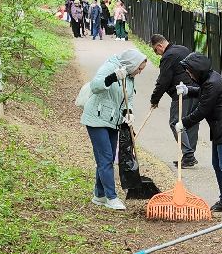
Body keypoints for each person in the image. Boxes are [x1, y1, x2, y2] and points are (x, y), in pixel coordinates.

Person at [79, 48, 147, 210]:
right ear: (132, 64)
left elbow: (128, 97)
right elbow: (96, 86)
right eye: (139, 69)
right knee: (106, 158)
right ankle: (111, 197)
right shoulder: (111, 67)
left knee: (107, 159)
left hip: (113, 121)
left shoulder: (130, 76)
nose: (139, 72)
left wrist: (128, 112)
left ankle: (99, 195)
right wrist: (113, 77)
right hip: (97, 118)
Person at [177, 53, 222, 212]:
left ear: (197, 70)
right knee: (217, 165)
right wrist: (188, 90)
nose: (188, 73)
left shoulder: (212, 83)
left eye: (189, 70)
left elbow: (202, 110)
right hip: (219, 127)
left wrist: (184, 123)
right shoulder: (210, 79)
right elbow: (203, 92)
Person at [146, 34, 197, 167]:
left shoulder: (168, 57)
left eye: (155, 50)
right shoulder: (183, 49)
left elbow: (163, 81)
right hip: (195, 91)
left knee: (175, 122)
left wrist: (154, 99)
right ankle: (189, 155)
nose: (157, 54)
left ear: (159, 46)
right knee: (190, 122)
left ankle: (188, 154)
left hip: (181, 94)